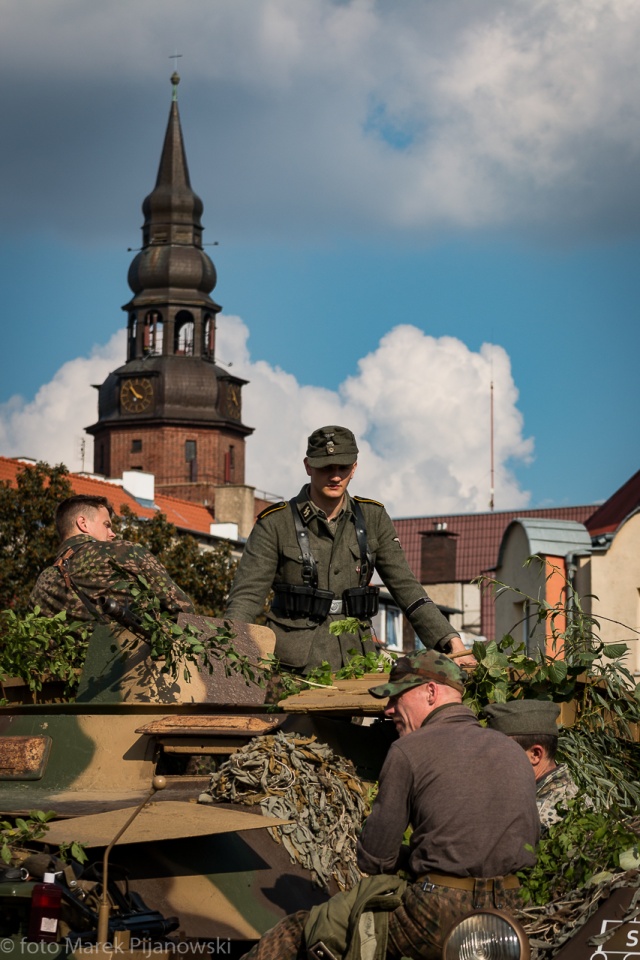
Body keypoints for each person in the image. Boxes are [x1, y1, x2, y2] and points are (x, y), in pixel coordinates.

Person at [241, 649, 539, 960]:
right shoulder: (511, 750)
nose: (388, 709)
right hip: (511, 915)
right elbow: (529, 841)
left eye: (397, 697)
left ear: (431, 692)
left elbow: (375, 859)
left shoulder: (409, 750)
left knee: (299, 930)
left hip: (437, 916)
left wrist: (410, 857)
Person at [226, 425, 474, 673]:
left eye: (342, 467)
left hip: (356, 659)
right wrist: (228, 649)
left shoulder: (373, 518)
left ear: (354, 468)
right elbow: (246, 597)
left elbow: (406, 588)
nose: (335, 476)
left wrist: (451, 642)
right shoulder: (275, 523)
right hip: (293, 665)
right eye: (326, 467)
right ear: (308, 466)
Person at [30, 495, 194, 623]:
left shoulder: (43, 582)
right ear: (83, 523)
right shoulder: (124, 552)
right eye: (106, 525)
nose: (112, 533)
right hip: (134, 664)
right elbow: (183, 611)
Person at [483, 700, 579, 832]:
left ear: (535, 754)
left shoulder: (538, 818)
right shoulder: (570, 795)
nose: (491, 762)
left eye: (501, 753)